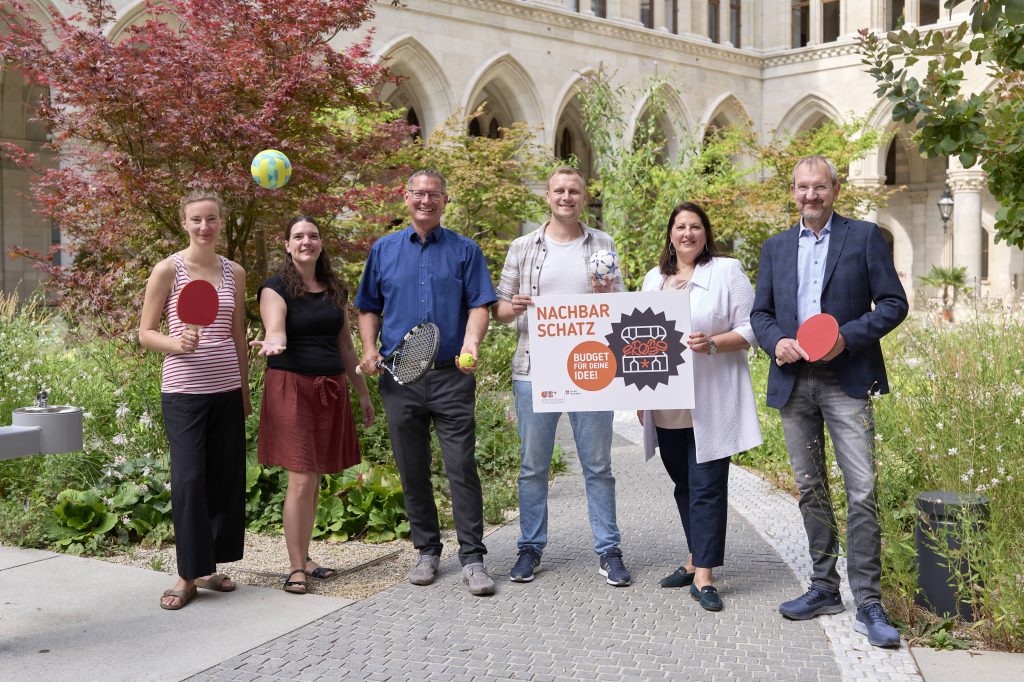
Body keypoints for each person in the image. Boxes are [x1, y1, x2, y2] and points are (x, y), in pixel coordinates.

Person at [750, 155, 908, 647]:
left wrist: (848, 337)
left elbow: (894, 303)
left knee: (861, 488)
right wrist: (775, 341)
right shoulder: (775, 248)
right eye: (802, 188)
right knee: (809, 486)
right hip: (794, 381)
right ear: (793, 192)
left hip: (847, 378)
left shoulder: (862, 238)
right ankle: (823, 586)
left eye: (819, 187)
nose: (810, 196)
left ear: (835, 190)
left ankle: (869, 600)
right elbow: (761, 314)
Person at [354, 169, 498, 596]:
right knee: (411, 468)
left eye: (434, 195)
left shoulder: (465, 250)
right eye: (419, 194)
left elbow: (479, 306)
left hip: (452, 377)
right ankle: (427, 551)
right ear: (406, 197)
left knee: (461, 468)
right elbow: (368, 308)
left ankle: (473, 558)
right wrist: (368, 349)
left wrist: (472, 342)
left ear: (445, 200)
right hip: (400, 379)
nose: (426, 201)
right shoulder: (383, 250)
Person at [493, 166, 632, 587]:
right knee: (533, 466)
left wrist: (610, 297)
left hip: (592, 369)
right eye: (559, 190)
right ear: (548, 196)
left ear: (583, 197)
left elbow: (620, 303)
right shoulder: (523, 247)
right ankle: (530, 547)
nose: (566, 197)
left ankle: (608, 549)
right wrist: (514, 307)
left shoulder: (602, 243)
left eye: (574, 190)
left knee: (598, 465)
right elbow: (497, 311)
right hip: (535, 369)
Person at [637, 202, 762, 611]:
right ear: (670, 234)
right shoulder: (653, 278)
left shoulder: (727, 271)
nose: (687, 233)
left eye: (695, 226)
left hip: (711, 397)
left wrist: (712, 342)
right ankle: (694, 560)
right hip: (667, 400)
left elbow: (752, 328)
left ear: (706, 233)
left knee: (707, 485)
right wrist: (641, 400)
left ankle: (705, 576)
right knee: (684, 484)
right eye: (680, 227)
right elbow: (636, 342)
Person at [251, 216, 375, 595]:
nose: (307, 241)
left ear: (321, 243)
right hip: (291, 388)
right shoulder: (274, 289)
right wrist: (274, 342)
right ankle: (294, 568)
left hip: (331, 388)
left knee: (315, 476)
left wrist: (363, 392)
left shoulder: (335, 288)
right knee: (302, 477)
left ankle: (304, 557)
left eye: (313, 236)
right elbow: (276, 329)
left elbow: (346, 346)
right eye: (298, 236)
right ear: (287, 245)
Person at [139, 189, 249, 610]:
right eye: (196, 220)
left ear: (221, 222)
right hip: (183, 391)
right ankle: (187, 574)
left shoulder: (234, 272)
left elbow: (237, 332)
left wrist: (243, 387)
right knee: (187, 481)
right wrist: (175, 342)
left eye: (212, 219)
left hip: (225, 390)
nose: (204, 227)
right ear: (184, 223)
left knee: (223, 480)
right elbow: (146, 332)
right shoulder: (168, 270)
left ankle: (208, 566)